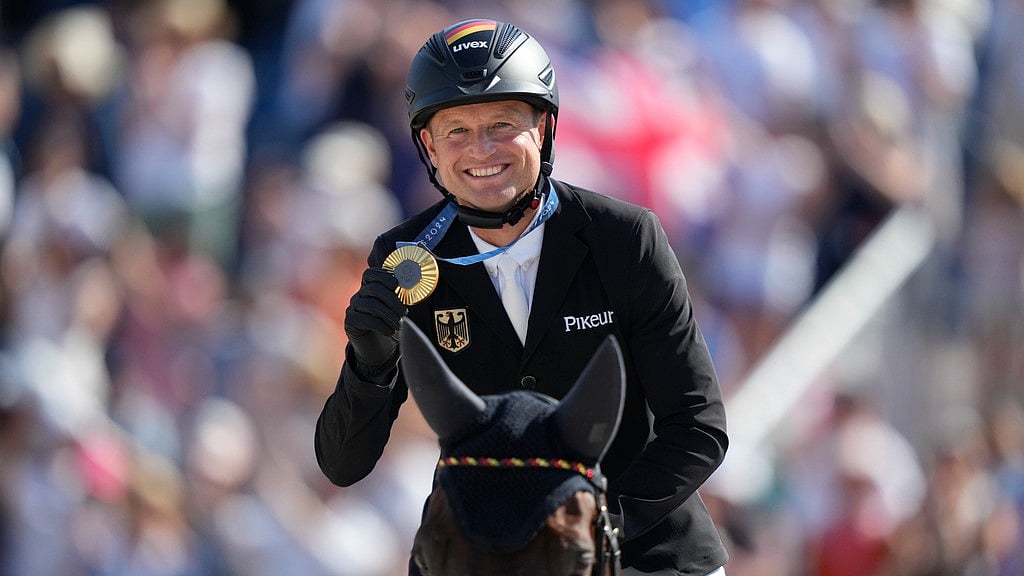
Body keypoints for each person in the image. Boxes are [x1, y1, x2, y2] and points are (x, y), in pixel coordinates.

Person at [315, 18, 729, 576]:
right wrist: (370, 365)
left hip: (640, 551)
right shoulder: (405, 257)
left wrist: (598, 528)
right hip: (481, 558)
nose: (480, 150)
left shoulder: (625, 238)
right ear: (428, 147)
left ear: (544, 128)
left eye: (502, 124)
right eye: (456, 131)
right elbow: (342, 465)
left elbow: (698, 426)